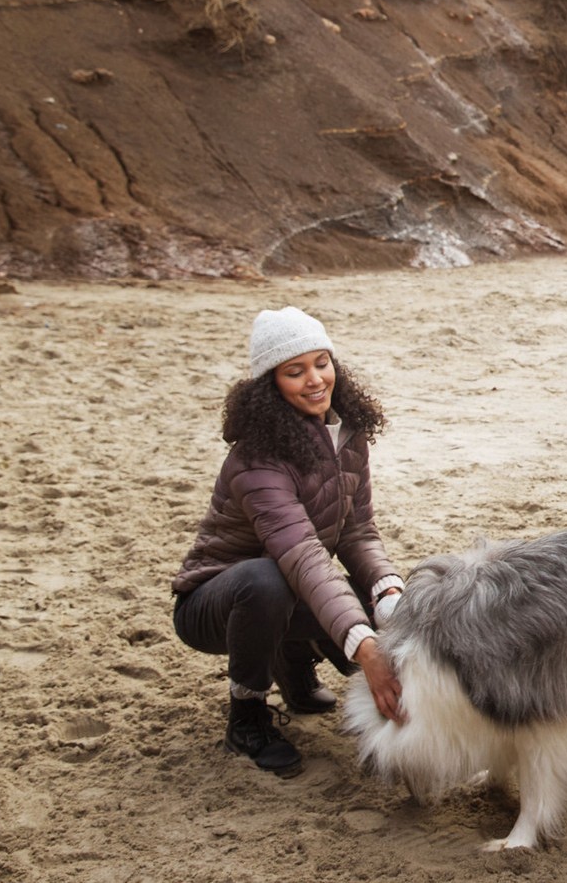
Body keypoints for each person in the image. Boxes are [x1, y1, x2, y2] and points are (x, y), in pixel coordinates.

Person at [172, 306, 406, 778]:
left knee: (382, 601)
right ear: (270, 386)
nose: (315, 379)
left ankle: (294, 665)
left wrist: (389, 594)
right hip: (215, 602)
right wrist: (365, 648)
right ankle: (247, 715)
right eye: (294, 372)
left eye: (322, 362)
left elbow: (357, 531)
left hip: (289, 583)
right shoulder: (256, 460)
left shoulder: (346, 434)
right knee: (267, 581)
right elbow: (301, 554)